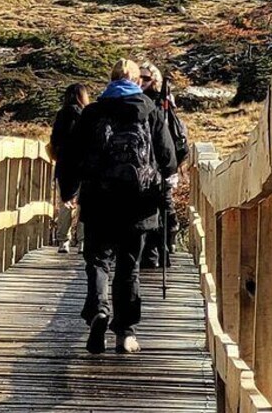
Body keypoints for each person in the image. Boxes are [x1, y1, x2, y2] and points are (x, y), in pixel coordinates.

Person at [59, 59, 177, 355]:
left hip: (99, 200)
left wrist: (69, 191)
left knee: (98, 261)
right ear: (138, 82)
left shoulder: (93, 112)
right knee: (129, 267)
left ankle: (99, 311)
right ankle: (125, 332)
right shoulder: (149, 110)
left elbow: (71, 155)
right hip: (139, 203)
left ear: (110, 81)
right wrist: (167, 186)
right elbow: (167, 157)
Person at [139, 62, 182, 268]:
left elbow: (169, 137)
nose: (142, 82)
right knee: (149, 206)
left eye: (146, 78)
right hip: (142, 163)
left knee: (163, 203)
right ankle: (151, 252)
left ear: (154, 80)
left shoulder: (161, 103)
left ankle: (165, 242)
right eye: (139, 77)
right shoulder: (136, 101)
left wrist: (170, 168)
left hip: (159, 162)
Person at [50, 83, 89, 255]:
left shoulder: (61, 115)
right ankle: (82, 242)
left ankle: (63, 242)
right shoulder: (87, 114)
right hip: (85, 165)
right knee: (84, 204)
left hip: (65, 165)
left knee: (65, 203)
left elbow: (55, 140)